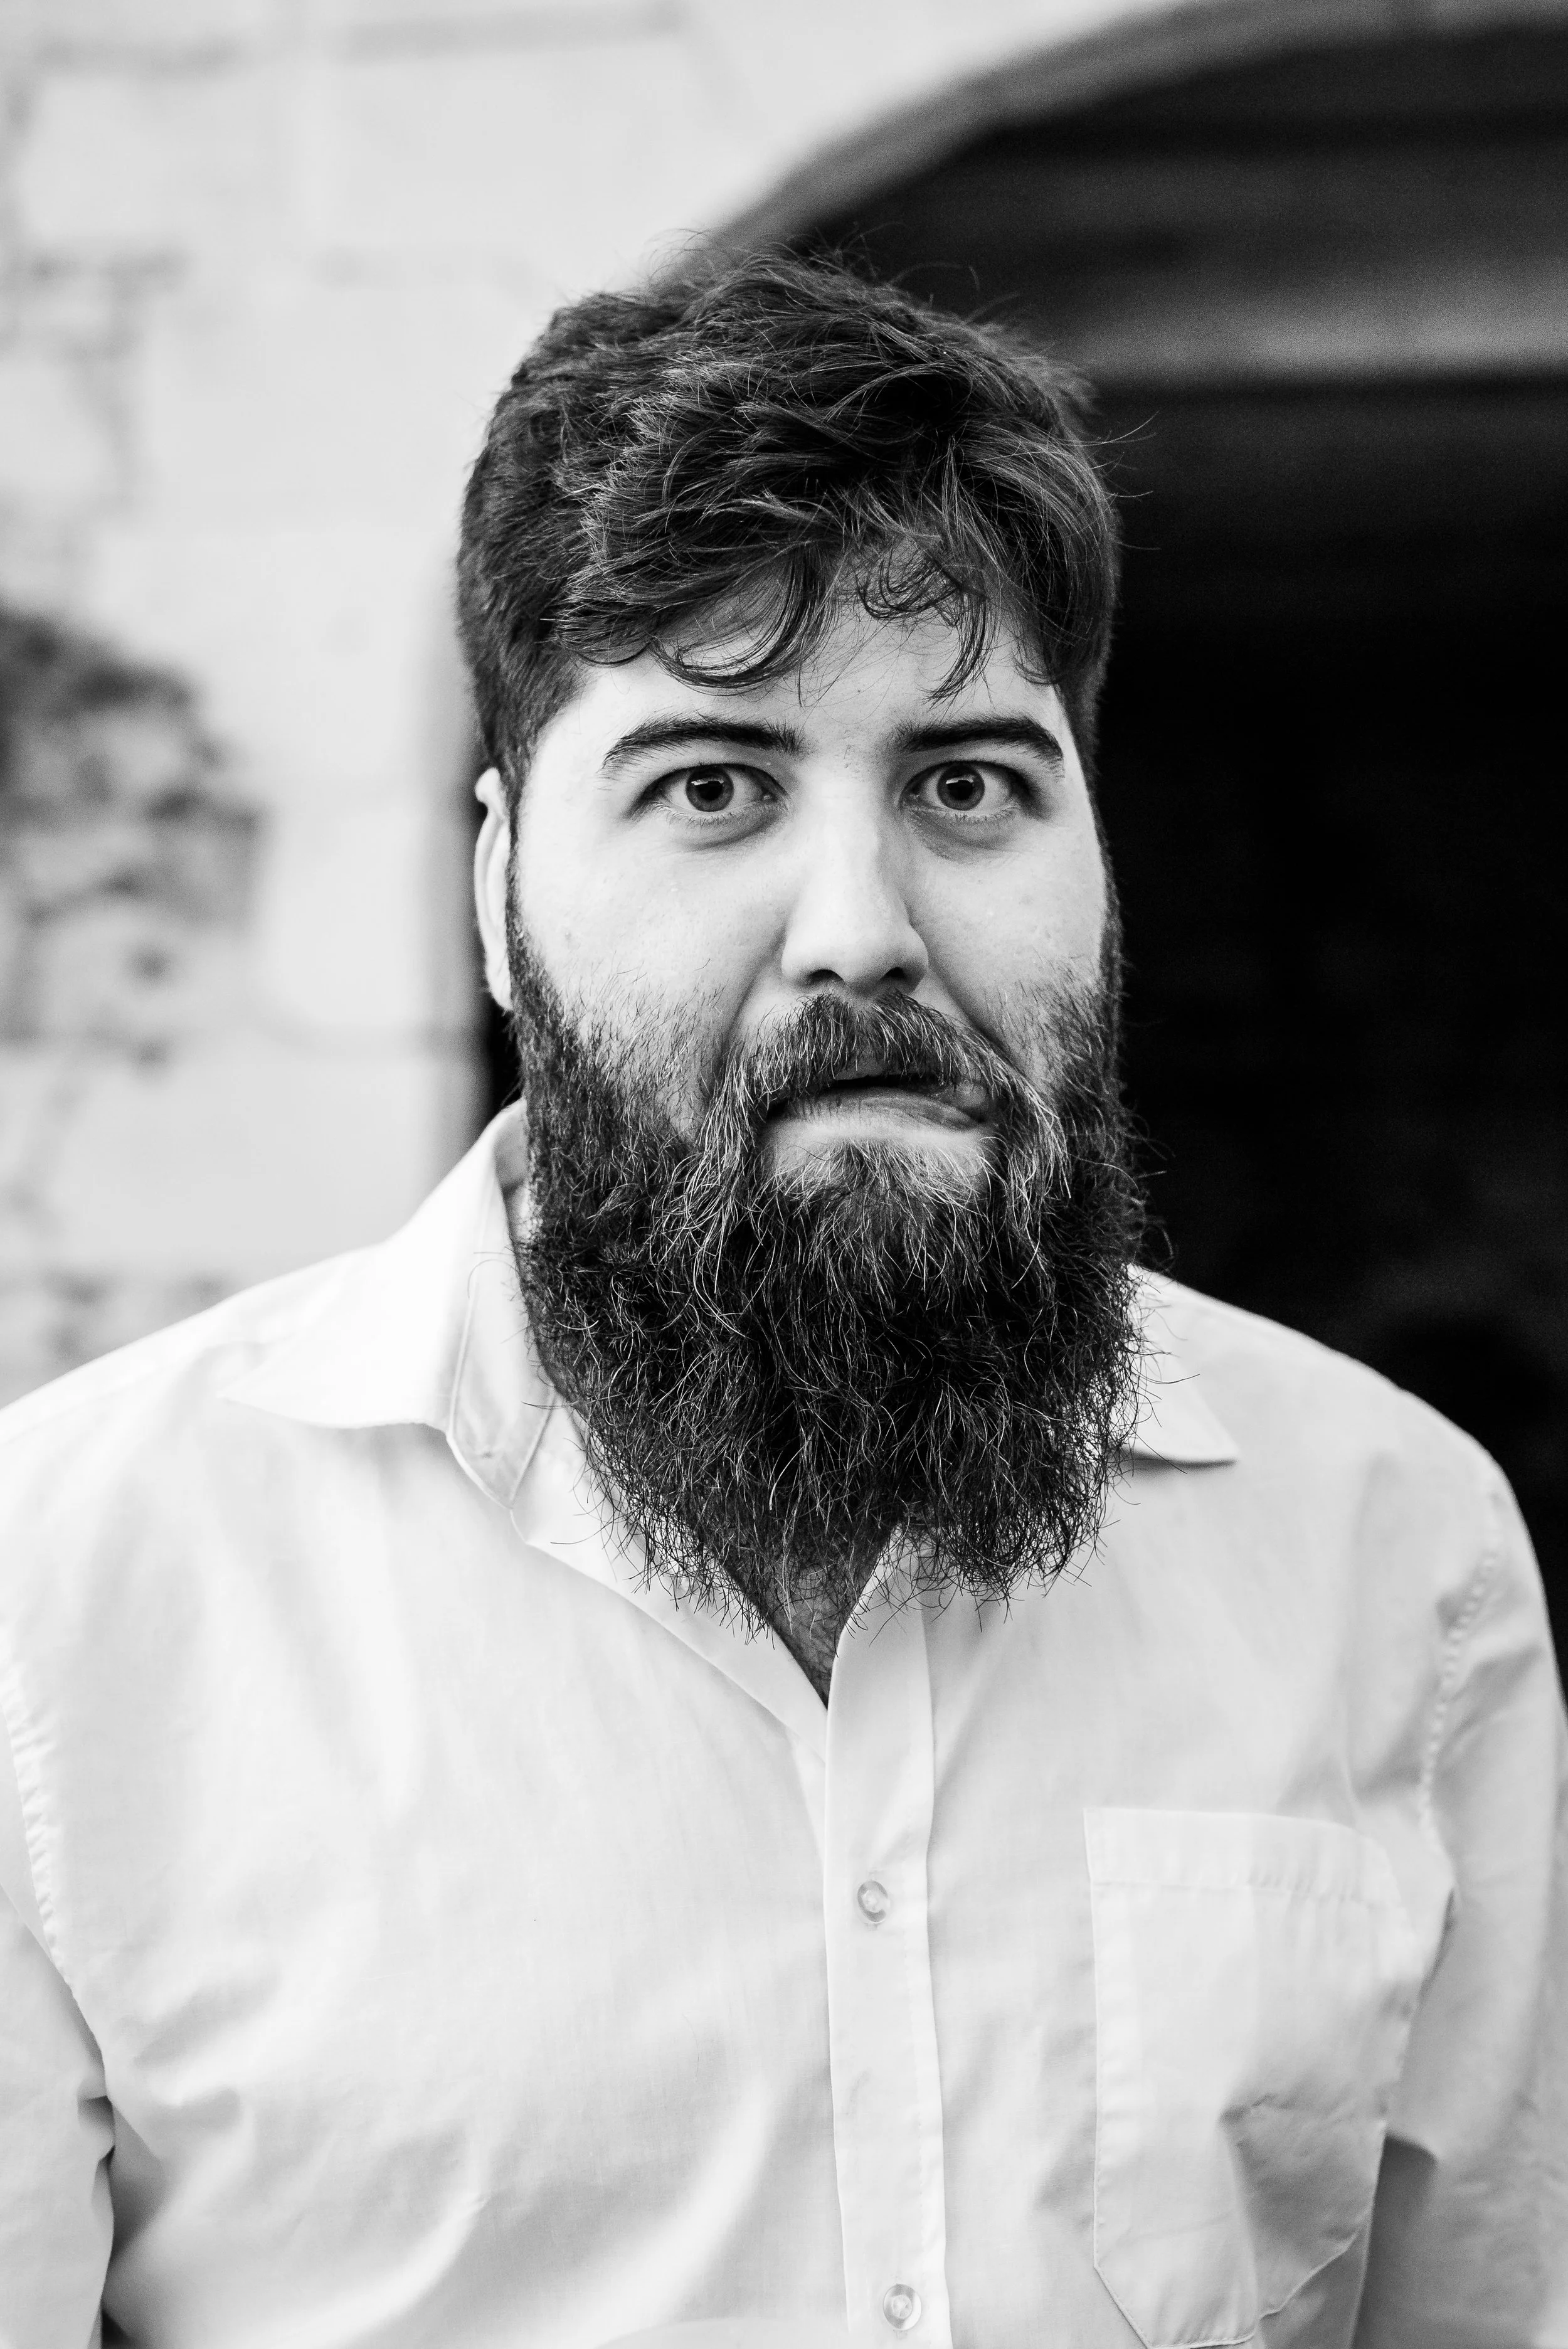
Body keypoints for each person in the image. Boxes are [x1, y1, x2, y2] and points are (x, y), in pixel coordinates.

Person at [0, 253, 1562, 2349]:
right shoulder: (68, 1604)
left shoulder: (1395, 1547)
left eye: (967, 785)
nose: (866, 932)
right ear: (496, 892)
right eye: (712, 786)